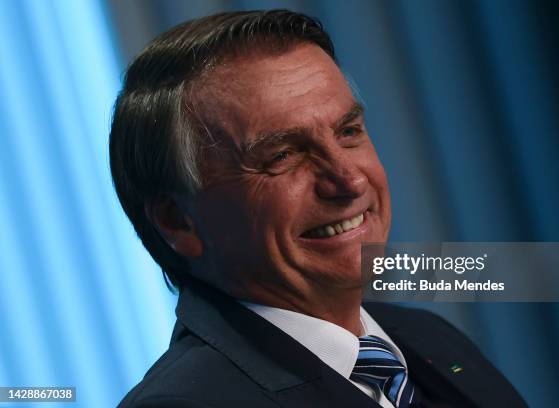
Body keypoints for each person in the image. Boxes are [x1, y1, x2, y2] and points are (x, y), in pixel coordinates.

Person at [111, 10, 526, 408]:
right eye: (283, 155)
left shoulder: (428, 340)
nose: (349, 181)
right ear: (178, 221)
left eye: (348, 132)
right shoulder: (186, 404)